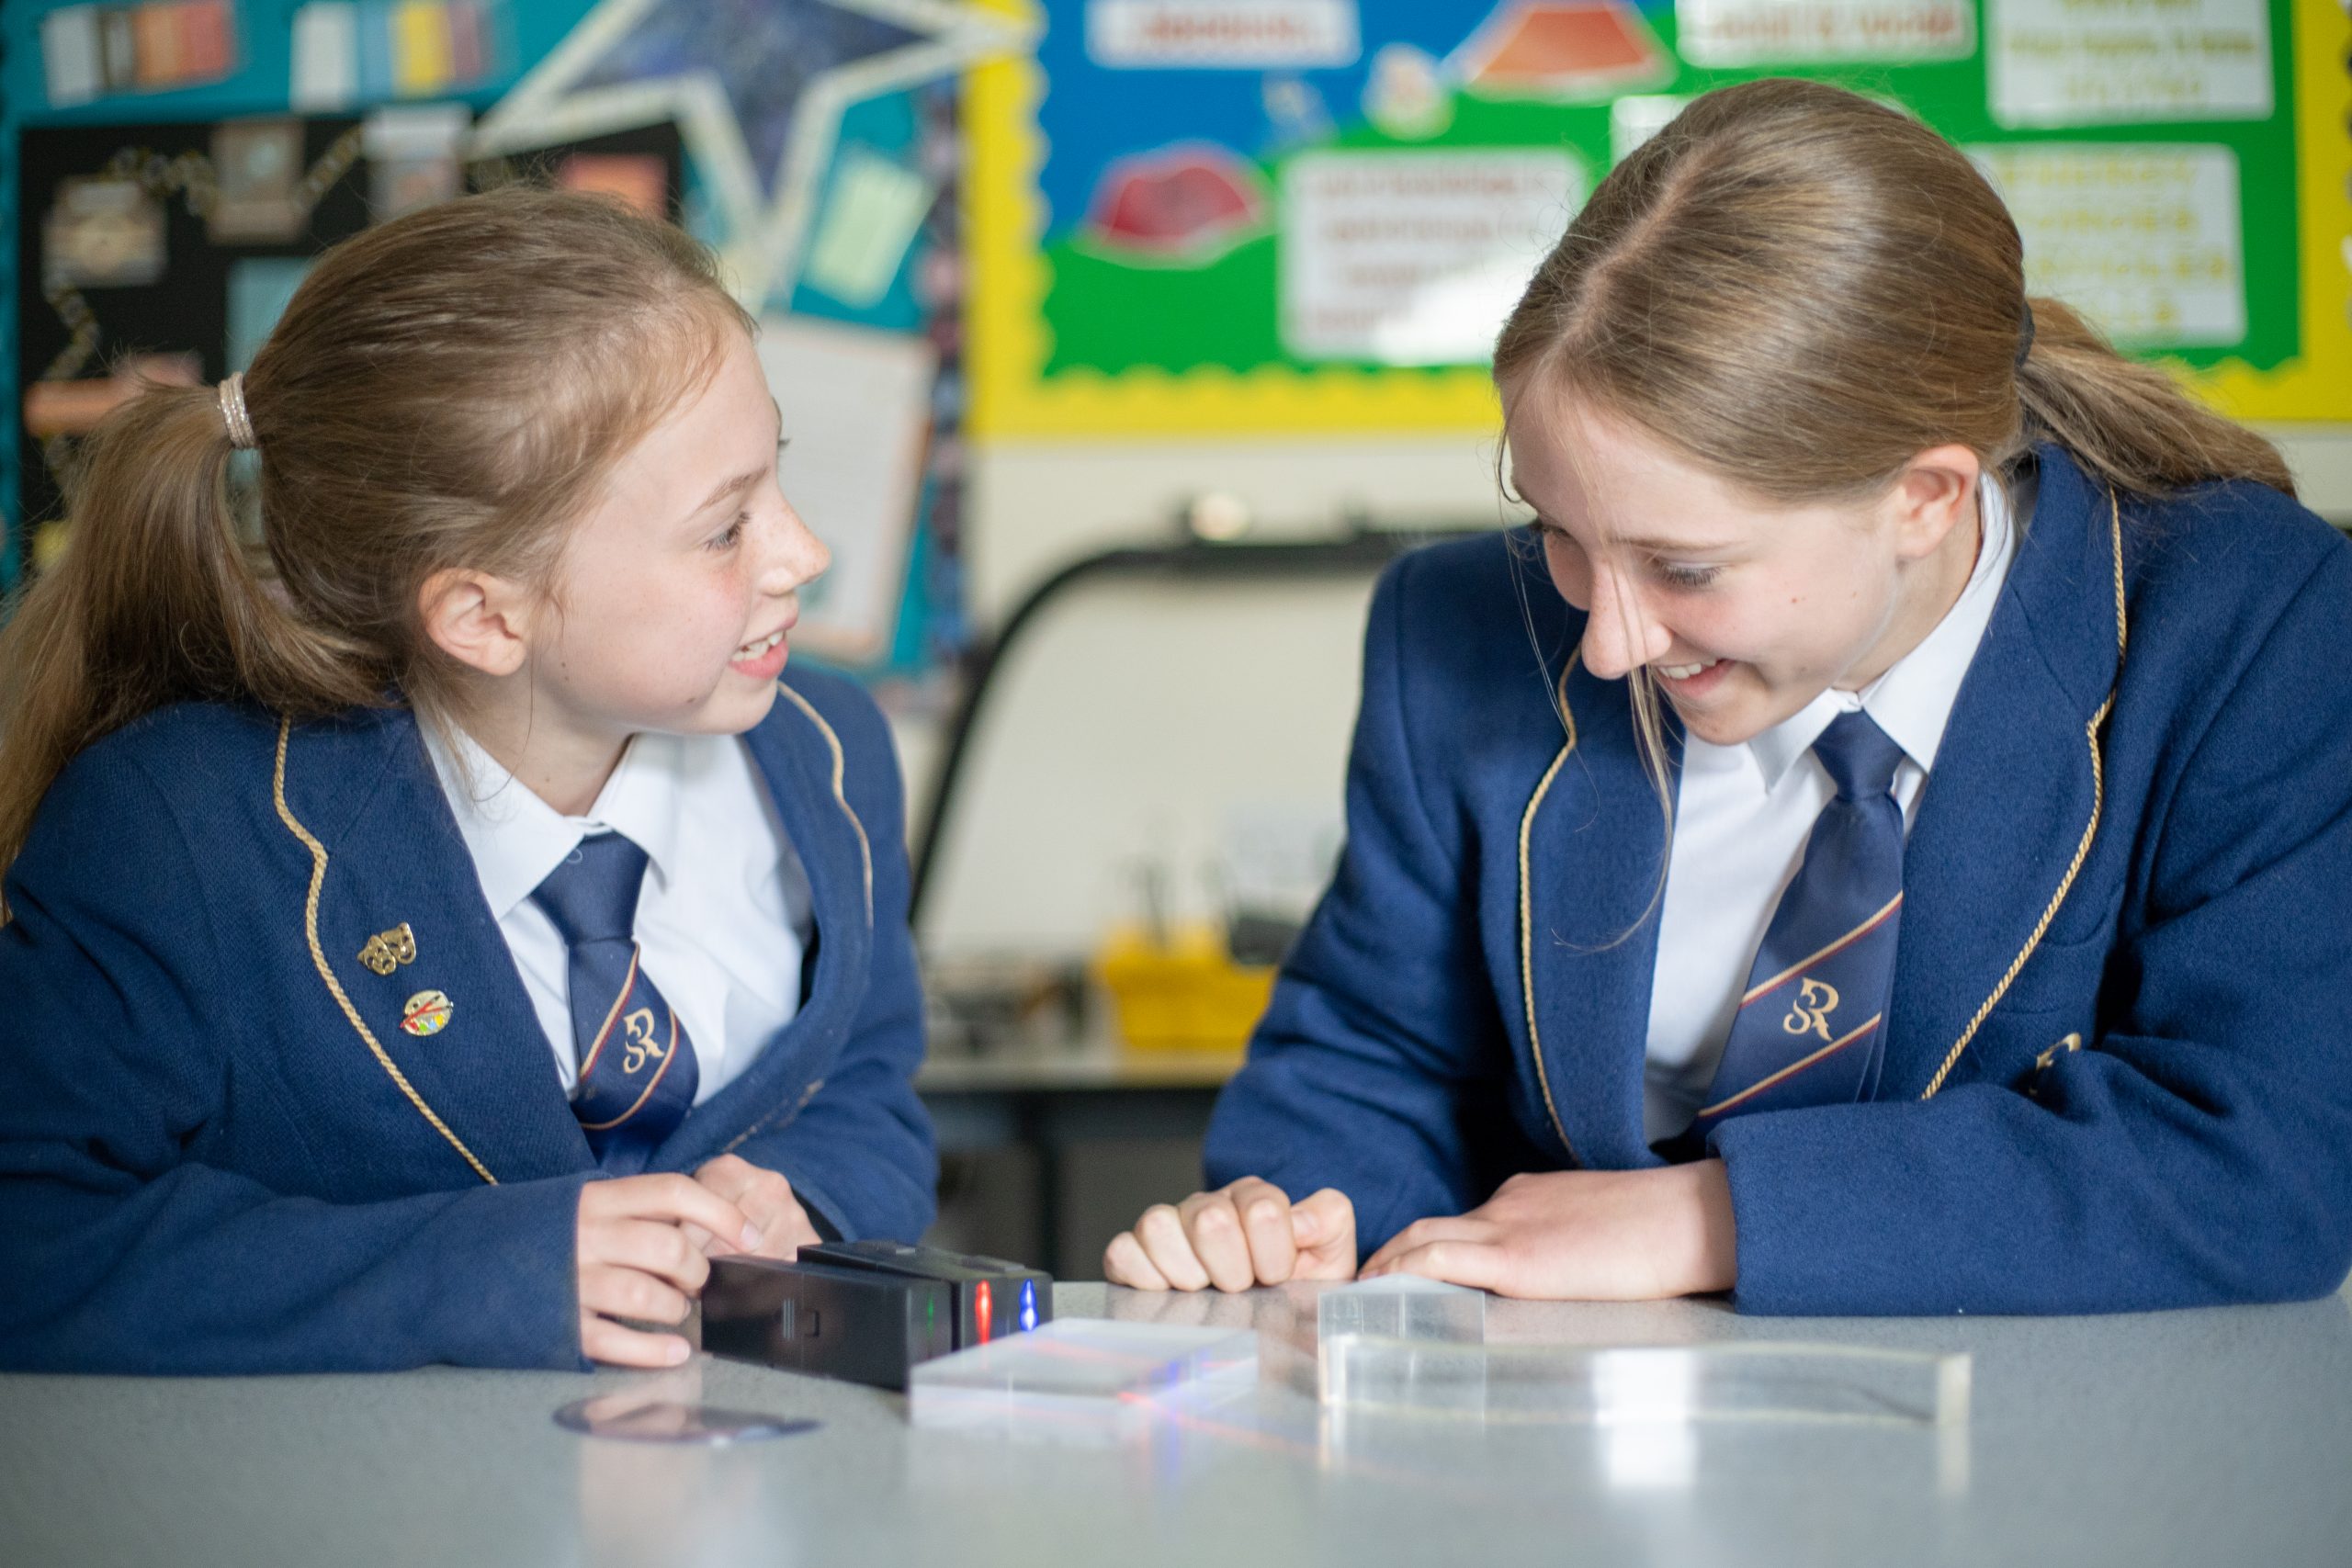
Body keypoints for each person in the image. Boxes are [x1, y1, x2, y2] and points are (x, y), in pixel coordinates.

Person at [1104, 78, 2352, 1314]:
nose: (1605, 640)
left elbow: (2262, 1153)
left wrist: (1709, 1217)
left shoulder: (2256, 624)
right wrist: (1302, 1222)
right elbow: (1369, 1064)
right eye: (1560, 532)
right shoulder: (1455, 631)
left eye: (1686, 568)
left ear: (1925, 496)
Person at [0, 189, 936, 1371]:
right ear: (483, 615)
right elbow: (31, 1231)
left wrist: (808, 1198)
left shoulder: (828, 752)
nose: (804, 553)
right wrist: (483, 1267)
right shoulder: (180, 828)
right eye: (724, 529)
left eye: (777, 483)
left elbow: (868, 1085)